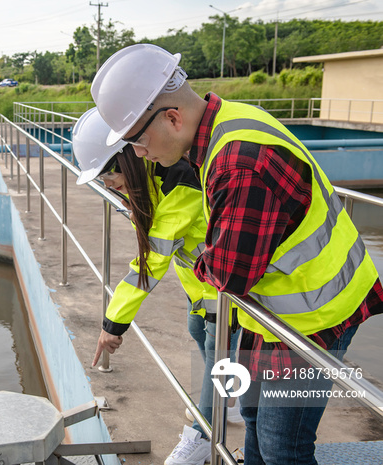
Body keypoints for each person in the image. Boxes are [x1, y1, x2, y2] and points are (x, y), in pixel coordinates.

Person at [90, 44, 383, 465]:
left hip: (314, 316)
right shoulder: (228, 122)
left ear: (171, 118)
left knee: (284, 447)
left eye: (136, 141)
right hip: (277, 309)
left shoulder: (238, 163)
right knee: (253, 422)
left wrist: (202, 256)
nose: (138, 155)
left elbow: (228, 275)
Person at [73, 107, 242, 465]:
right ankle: (226, 401)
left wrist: (112, 325)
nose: (106, 183)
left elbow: (150, 263)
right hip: (202, 284)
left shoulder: (178, 179)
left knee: (216, 352)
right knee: (198, 330)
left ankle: (201, 436)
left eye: (108, 173)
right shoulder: (151, 178)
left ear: (128, 158)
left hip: (225, 285)